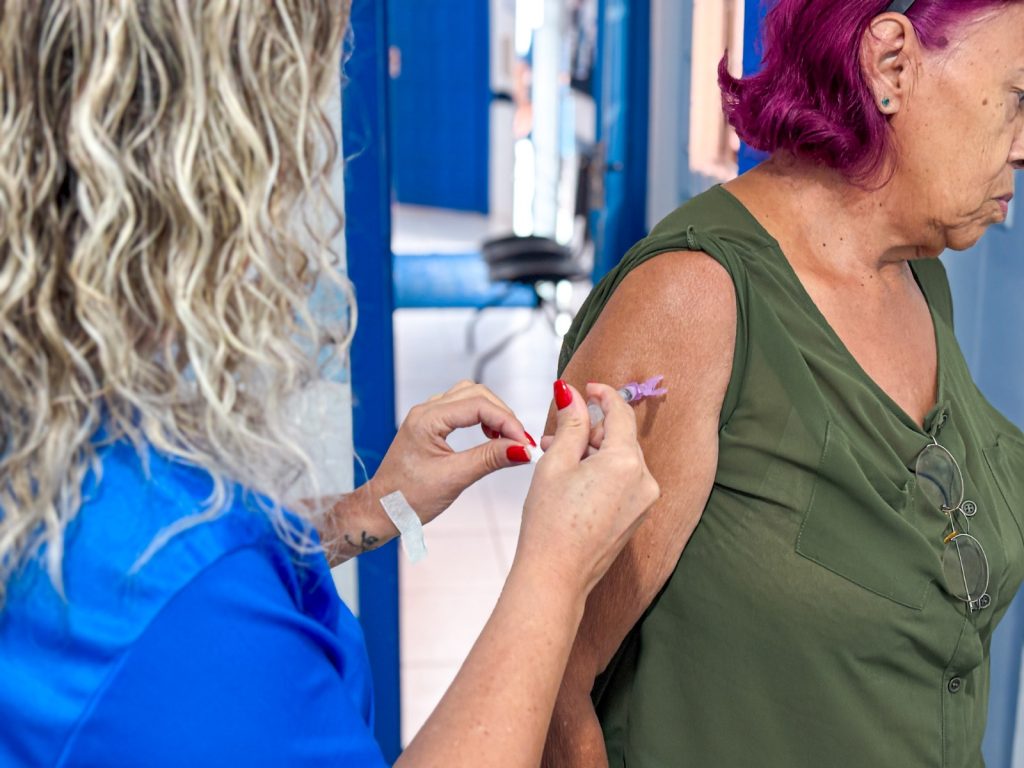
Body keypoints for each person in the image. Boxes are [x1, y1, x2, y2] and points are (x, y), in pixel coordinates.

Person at [0, 2, 660, 767]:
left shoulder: (61, 426)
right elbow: (179, 596)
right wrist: (554, 573)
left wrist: (369, 510)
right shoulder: (176, 616)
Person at [541, 1, 1024, 766]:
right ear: (891, 63)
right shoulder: (693, 301)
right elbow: (554, 684)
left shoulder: (918, 280)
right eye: (1019, 97)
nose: (1023, 147)